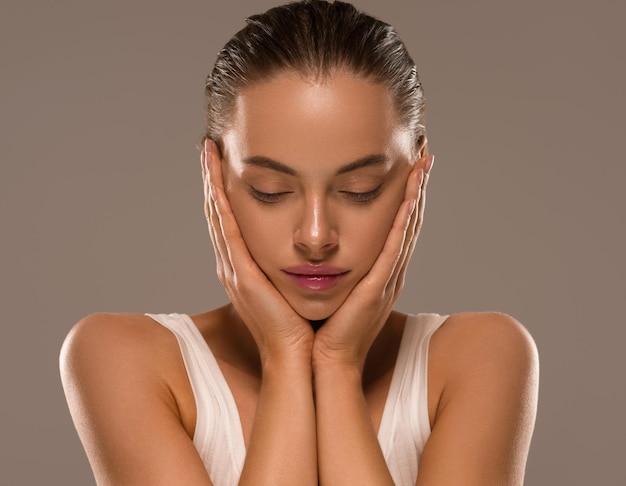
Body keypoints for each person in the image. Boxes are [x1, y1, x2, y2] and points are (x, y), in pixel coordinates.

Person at [60, 1, 539, 484]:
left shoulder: (482, 356)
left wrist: (337, 366)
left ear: (417, 175)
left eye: (360, 190)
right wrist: (286, 355)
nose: (315, 236)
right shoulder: (124, 357)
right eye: (271, 191)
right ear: (216, 177)